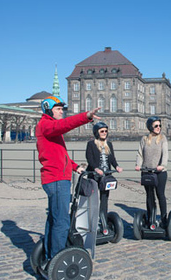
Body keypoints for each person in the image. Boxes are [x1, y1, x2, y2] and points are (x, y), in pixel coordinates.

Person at [36, 95, 100, 260]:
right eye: (58, 109)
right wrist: (85, 116)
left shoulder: (49, 128)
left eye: (62, 109)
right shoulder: (46, 125)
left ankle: (50, 254)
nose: (61, 112)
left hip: (57, 178)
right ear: (49, 110)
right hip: (57, 180)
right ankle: (57, 258)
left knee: (53, 218)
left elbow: (59, 155)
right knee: (62, 222)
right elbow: (64, 125)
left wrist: (75, 166)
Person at [85, 122, 123, 230]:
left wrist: (117, 167)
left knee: (105, 198)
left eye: (106, 131)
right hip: (94, 175)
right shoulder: (91, 144)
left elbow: (112, 158)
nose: (104, 133)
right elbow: (89, 158)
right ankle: (92, 221)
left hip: (106, 176)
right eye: (102, 131)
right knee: (94, 199)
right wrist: (96, 168)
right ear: (97, 132)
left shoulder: (109, 144)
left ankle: (103, 219)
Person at [135, 116, 169, 228]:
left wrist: (162, 165)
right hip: (146, 171)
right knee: (149, 196)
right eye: (156, 126)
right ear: (150, 127)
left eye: (160, 125)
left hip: (160, 172)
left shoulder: (163, 138)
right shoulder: (144, 139)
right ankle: (151, 218)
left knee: (160, 195)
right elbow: (140, 153)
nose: (159, 127)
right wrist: (138, 165)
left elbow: (165, 154)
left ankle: (164, 219)